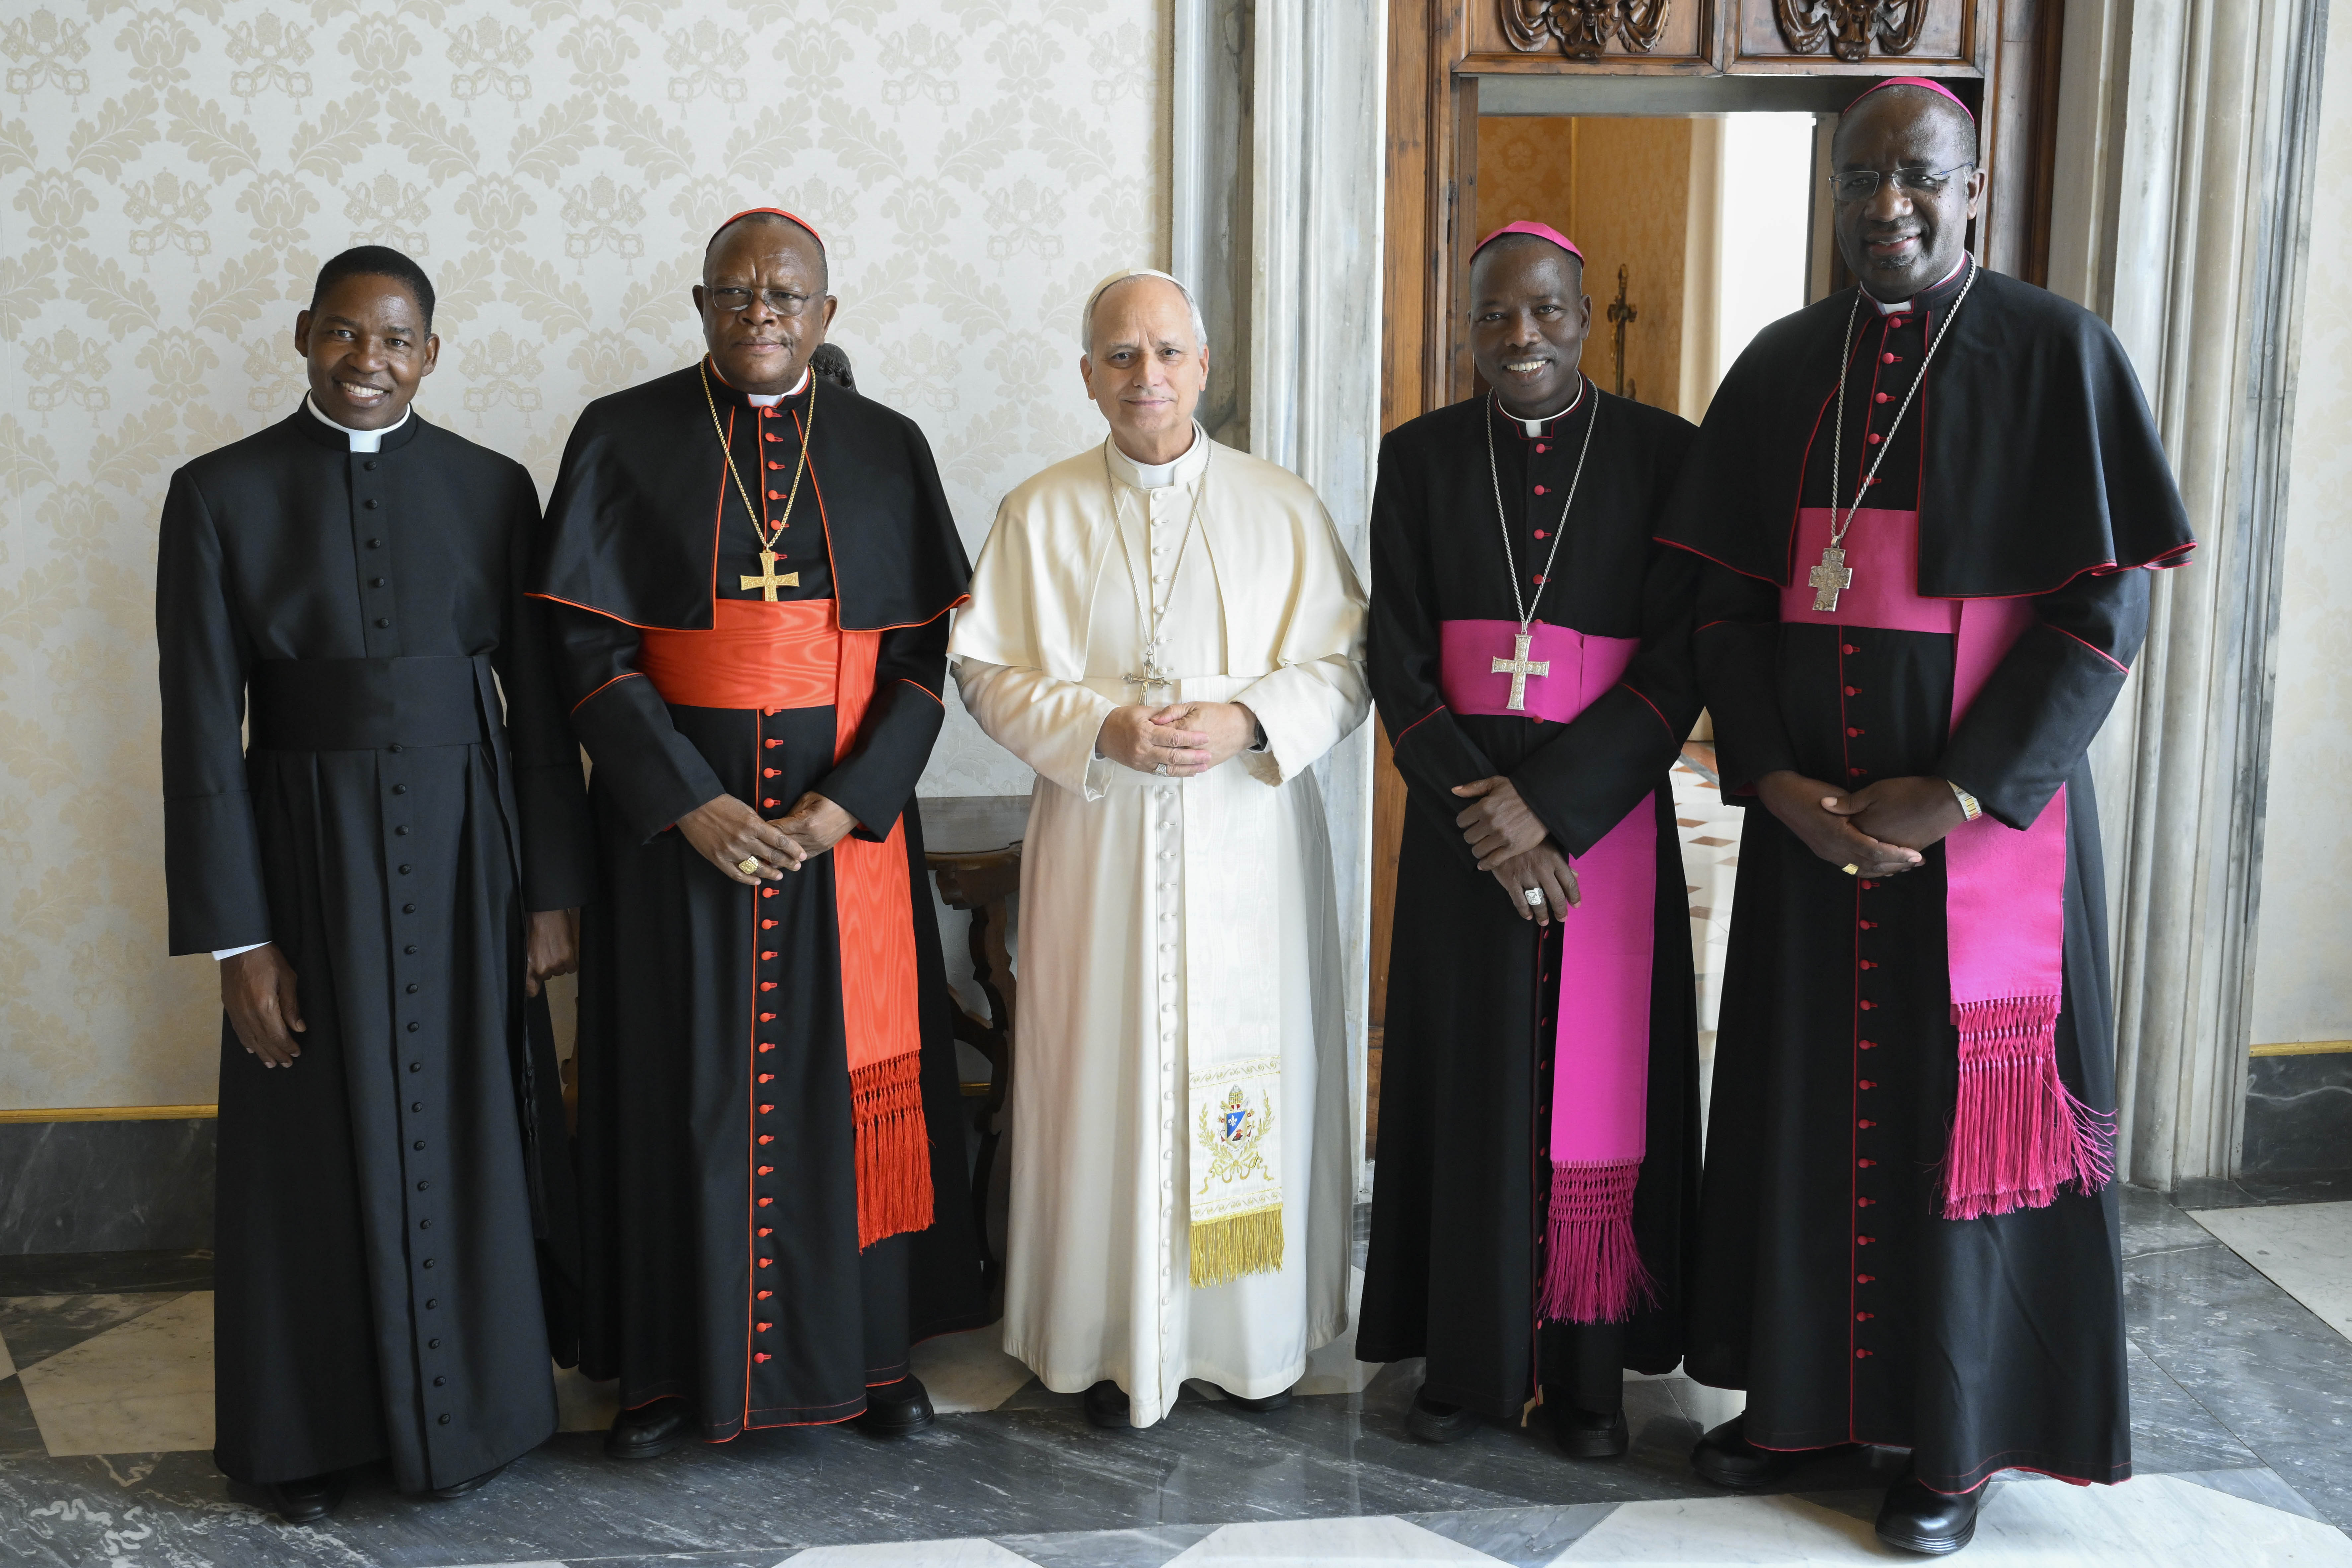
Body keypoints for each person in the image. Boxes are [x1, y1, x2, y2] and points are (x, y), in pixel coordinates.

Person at [1658, 79, 2195, 1555]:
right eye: (1857, 178)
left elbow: (2098, 620)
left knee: (1958, 1132)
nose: (1882, 204)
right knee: (1798, 1108)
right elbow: (1723, 609)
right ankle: (1797, 1404)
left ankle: (1950, 1451)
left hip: (1979, 844)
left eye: (1914, 177)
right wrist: (1775, 782)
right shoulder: (1777, 368)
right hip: (1805, 835)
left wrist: (1954, 791)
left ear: (1971, 191)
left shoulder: (2055, 353)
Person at [533, 208, 985, 1457]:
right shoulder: (621, 436)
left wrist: (848, 804)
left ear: (827, 315)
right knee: (677, 1093)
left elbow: (923, 655)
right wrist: (688, 800)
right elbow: (585, 646)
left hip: (848, 837)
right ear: (700, 306)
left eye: (787, 294)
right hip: (679, 840)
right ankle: (669, 1374)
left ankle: (873, 1358)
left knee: (861, 1089)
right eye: (736, 293)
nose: (762, 311)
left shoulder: (889, 447)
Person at [157, 247, 589, 1522]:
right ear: (305, 336)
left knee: (469, 1128)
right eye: (346, 335)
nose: (368, 362)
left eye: (397, 341)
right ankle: (304, 1440)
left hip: (471, 862)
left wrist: (551, 893)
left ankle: (483, 1421)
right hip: (300, 867)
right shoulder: (216, 494)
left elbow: (540, 716)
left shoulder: (495, 489)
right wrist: (241, 940)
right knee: (309, 1148)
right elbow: (198, 729)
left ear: (431, 356)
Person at [950, 269, 1369, 1430]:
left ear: (1204, 367)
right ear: (1086, 375)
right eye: (1121, 357)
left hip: (1249, 841)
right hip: (1101, 838)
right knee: (1102, 1066)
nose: (1147, 377)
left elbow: (1344, 666)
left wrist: (1248, 721)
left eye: (1168, 353)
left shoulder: (1281, 507)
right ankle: (1098, 1334)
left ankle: (1248, 1335)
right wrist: (1099, 726)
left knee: (1251, 1069)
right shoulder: (1038, 513)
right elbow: (982, 668)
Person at [1356, 223, 1703, 1458]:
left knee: (1593, 1092)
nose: (1521, 338)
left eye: (1547, 311)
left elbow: (1683, 655)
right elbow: (1393, 657)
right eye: (1495, 316)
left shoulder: (1667, 455)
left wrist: (1551, 808)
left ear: (1587, 318)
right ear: (1467, 327)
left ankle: (1591, 1378)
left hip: (1602, 822)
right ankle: (1466, 1369)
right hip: (1462, 835)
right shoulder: (1420, 457)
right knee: (1471, 1081)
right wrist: (1485, 814)